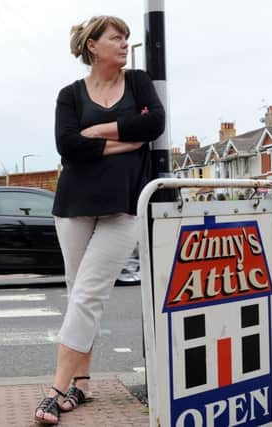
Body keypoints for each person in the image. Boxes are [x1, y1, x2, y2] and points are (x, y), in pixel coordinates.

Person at [34, 15, 165, 425]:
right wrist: (121, 141)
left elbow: (153, 125)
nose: (125, 44)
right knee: (78, 293)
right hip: (74, 203)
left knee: (89, 293)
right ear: (93, 45)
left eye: (127, 38)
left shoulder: (139, 82)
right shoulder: (70, 94)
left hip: (125, 204)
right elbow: (66, 146)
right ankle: (84, 383)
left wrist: (96, 132)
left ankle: (56, 389)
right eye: (116, 38)